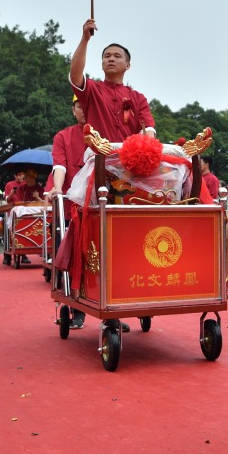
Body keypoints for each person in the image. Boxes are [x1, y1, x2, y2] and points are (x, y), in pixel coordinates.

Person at [69, 21, 156, 142]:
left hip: (128, 158)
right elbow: (75, 74)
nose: (111, 59)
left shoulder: (138, 98)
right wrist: (85, 39)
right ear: (102, 64)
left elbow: (148, 130)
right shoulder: (92, 89)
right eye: (107, 56)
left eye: (117, 56)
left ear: (128, 65)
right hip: (97, 158)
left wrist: (146, 147)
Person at [45, 96, 89, 327]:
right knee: (74, 259)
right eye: (79, 106)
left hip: (99, 206)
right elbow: (59, 166)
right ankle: (77, 310)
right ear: (73, 110)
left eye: (88, 105)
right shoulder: (64, 136)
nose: (84, 109)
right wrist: (57, 188)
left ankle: (112, 312)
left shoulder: (107, 135)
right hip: (73, 208)